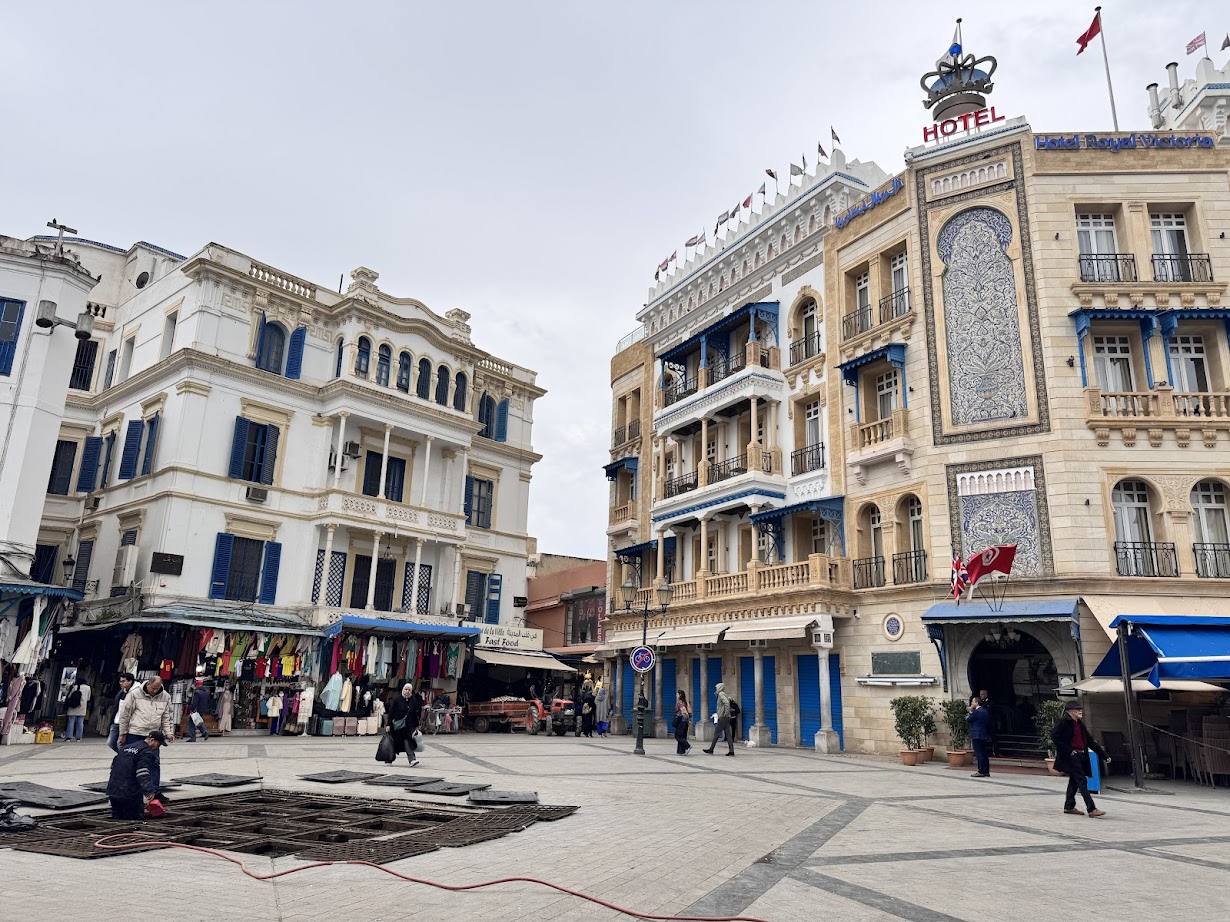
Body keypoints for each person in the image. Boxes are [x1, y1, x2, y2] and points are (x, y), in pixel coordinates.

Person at [118, 677, 175, 798]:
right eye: (153, 688)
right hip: (135, 733)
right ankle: (131, 790)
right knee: (132, 763)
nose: (154, 691)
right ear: (148, 684)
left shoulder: (165, 696)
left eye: (157, 688)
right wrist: (123, 734)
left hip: (153, 735)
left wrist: (168, 732)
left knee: (154, 763)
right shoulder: (135, 694)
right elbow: (125, 715)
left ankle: (155, 791)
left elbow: (167, 716)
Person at [1051, 701, 1109, 817]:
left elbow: (1090, 741)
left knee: (1074, 782)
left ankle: (1069, 806)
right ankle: (1091, 808)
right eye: (1077, 709)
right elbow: (1055, 737)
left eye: (1080, 709)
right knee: (1082, 781)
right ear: (1070, 711)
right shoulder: (1064, 722)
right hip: (1072, 756)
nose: (1080, 711)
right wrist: (1069, 750)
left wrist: (1104, 755)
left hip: (1081, 755)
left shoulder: (1080, 724)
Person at [107, 730, 167, 820]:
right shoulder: (146, 752)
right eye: (158, 745)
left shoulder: (126, 747)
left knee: (117, 820)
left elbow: (114, 766)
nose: (157, 748)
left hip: (113, 790)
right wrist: (149, 792)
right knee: (134, 822)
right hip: (130, 794)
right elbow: (142, 773)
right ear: (152, 740)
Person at [386, 683, 421, 767]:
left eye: (409, 690)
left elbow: (416, 713)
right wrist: (388, 724)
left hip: (408, 726)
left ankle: (412, 760)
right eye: (406, 689)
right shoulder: (397, 700)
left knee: (407, 741)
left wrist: (417, 725)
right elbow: (391, 713)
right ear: (403, 690)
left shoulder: (413, 700)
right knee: (394, 743)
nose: (407, 691)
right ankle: (389, 758)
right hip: (397, 726)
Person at [107, 673, 135, 753]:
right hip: (116, 720)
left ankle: (123, 758)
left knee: (121, 744)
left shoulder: (135, 693)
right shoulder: (122, 692)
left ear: (130, 681)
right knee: (111, 742)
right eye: (120, 681)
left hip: (126, 722)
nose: (121, 683)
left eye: (123, 681)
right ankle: (123, 757)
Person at [705, 683, 735, 756]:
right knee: (728, 734)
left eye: (717, 688)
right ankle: (731, 751)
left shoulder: (721, 694)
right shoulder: (722, 694)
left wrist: (725, 713)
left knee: (716, 733)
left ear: (720, 688)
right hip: (725, 718)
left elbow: (727, 703)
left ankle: (711, 749)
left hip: (723, 718)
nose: (716, 689)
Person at [967, 695, 992, 778]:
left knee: (979, 753)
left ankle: (981, 770)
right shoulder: (985, 711)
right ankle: (986, 771)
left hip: (977, 735)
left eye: (973, 702)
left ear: (977, 703)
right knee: (984, 753)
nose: (971, 703)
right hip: (983, 734)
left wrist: (970, 711)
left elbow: (969, 719)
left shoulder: (977, 712)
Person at [63, 677, 91, 742]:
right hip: (82, 707)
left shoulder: (75, 687)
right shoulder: (88, 688)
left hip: (73, 707)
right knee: (80, 722)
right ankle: (78, 737)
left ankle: (68, 737)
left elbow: (69, 696)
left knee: (71, 721)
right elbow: (88, 698)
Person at [674, 690, 692, 755]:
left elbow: (684, 712)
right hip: (686, 722)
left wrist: (679, 716)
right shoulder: (686, 702)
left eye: (677, 694)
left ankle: (687, 746)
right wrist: (689, 720)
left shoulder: (680, 703)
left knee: (677, 736)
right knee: (683, 736)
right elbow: (690, 711)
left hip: (682, 721)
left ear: (680, 695)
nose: (676, 696)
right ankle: (681, 751)